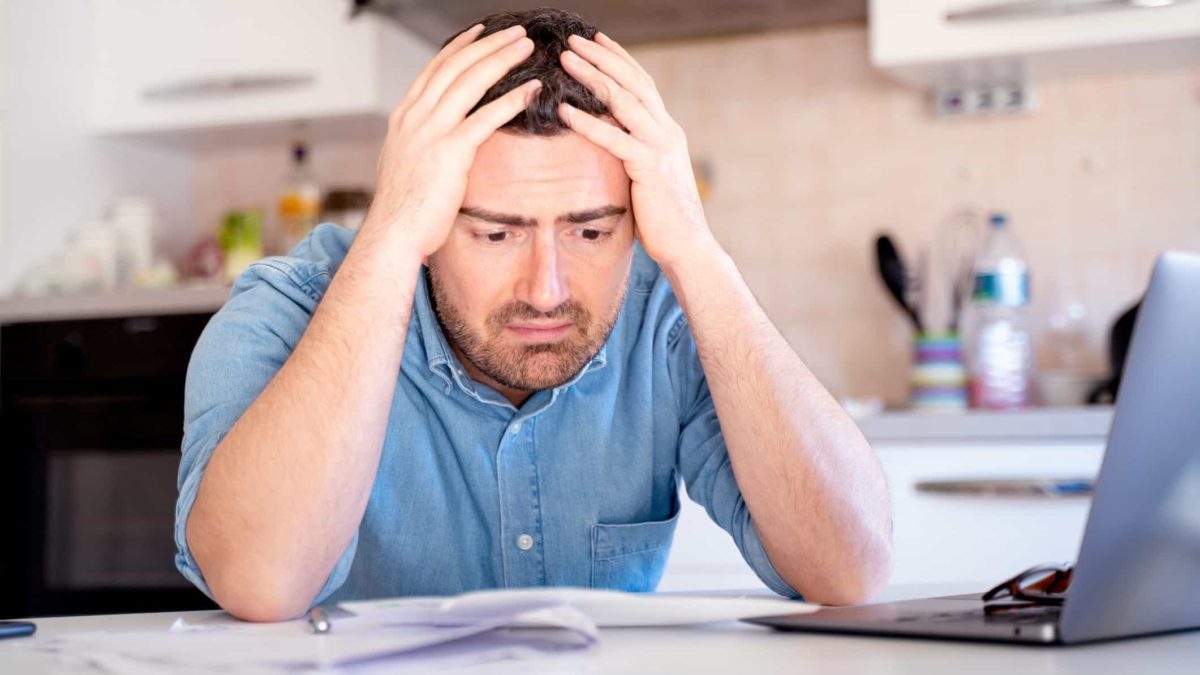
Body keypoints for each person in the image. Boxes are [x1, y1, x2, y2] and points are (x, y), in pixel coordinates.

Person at [176, 8, 893, 622]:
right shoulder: (291, 307)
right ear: (427, 217)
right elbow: (260, 582)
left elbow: (851, 570)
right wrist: (390, 236)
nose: (547, 291)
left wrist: (697, 252)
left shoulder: (665, 320)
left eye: (591, 231)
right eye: (496, 234)